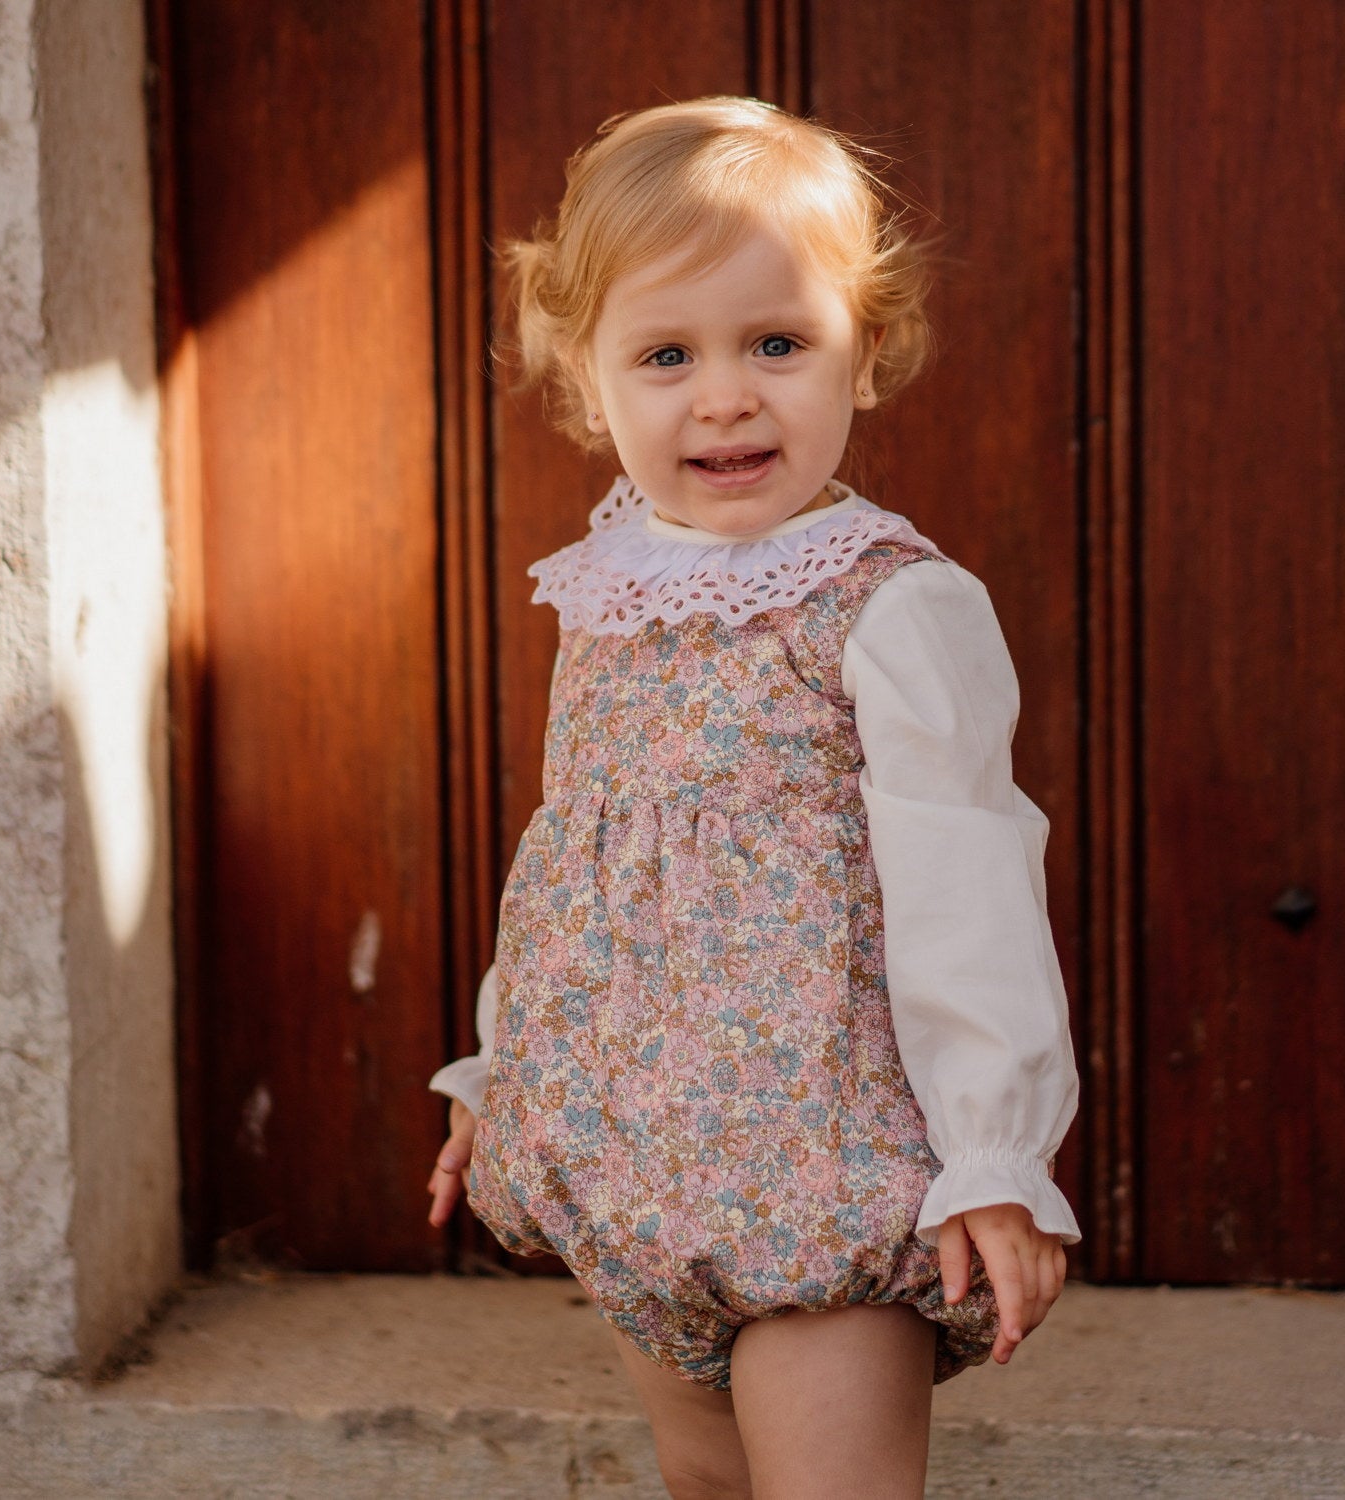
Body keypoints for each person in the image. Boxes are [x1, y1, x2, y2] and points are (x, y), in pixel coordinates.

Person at [424, 96, 1080, 1500]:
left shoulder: (889, 605)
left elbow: (970, 885)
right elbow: (577, 857)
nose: (725, 395)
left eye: (777, 344)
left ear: (868, 347)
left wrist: (993, 1152)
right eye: (667, 355)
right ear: (588, 380)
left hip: (819, 1176)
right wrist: (503, 1065)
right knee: (705, 1481)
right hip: (638, 1165)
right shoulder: (604, 594)